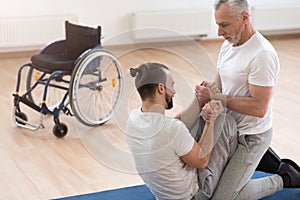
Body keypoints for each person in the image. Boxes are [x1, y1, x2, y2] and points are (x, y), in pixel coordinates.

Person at [195, 0, 300, 199]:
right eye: (217, 24)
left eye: (224, 25)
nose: (219, 32)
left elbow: (259, 107)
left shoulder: (262, 55)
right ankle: (261, 161)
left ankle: (286, 178)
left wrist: (216, 97)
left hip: (251, 137)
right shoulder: (228, 46)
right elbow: (218, 87)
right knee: (205, 191)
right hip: (228, 130)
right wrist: (206, 94)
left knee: (223, 198)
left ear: (244, 18)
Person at [126, 62, 238, 200]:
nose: (174, 92)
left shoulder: (134, 118)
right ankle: (238, 178)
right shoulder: (172, 129)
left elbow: (174, 125)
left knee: (197, 123)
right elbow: (202, 161)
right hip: (195, 195)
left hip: (163, 195)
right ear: (161, 88)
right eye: (172, 86)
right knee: (226, 122)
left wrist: (199, 101)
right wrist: (212, 119)